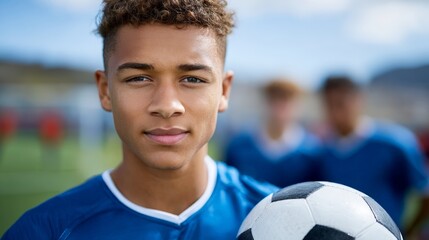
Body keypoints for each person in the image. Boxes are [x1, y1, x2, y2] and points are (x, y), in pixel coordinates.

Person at [2, 0, 278, 239]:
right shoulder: (45, 231)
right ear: (105, 90)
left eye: (192, 79)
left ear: (223, 90)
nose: (167, 106)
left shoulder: (277, 218)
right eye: (139, 78)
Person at [317, 75, 429, 236]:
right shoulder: (322, 150)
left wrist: (407, 232)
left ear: (358, 100)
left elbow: (424, 194)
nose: (335, 112)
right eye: (329, 105)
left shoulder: (396, 143)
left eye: (341, 104)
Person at [225, 79, 321, 187]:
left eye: (287, 100)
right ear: (266, 102)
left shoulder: (312, 151)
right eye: (275, 99)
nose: (280, 106)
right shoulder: (239, 147)